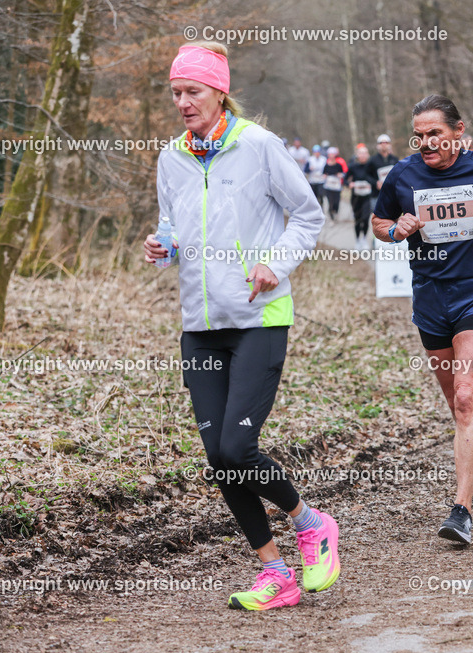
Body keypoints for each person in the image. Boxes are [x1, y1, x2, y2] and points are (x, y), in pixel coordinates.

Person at [144, 42, 338, 610]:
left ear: (220, 93)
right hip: (200, 324)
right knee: (217, 457)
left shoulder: (258, 146)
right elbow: (172, 225)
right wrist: (165, 244)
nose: (182, 102)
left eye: (193, 92)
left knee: (237, 444)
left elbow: (307, 215)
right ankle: (274, 574)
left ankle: (311, 523)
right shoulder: (170, 158)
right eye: (176, 93)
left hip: (259, 317)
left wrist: (274, 265)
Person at [371, 94, 473, 544]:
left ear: (458, 131)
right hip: (430, 297)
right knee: (456, 402)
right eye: (418, 136)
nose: (426, 143)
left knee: (466, 397)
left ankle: (460, 509)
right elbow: (378, 222)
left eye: (435, 134)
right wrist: (395, 230)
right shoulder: (403, 174)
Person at [346, 143, 375, 250]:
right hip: (356, 197)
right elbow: (345, 179)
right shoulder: (353, 166)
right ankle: (358, 240)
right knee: (358, 219)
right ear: (357, 155)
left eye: (365, 153)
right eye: (360, 153)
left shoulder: (371, 166)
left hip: (367, 196)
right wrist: (349, 184)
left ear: (368, 155)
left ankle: (364, 239)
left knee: (366, 218)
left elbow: (375, 179)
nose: (363, 155)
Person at [368, 133, 399, 215]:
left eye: (386, 143)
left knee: (393, 217)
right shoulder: (372, 160)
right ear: (378, 145)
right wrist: (375, 183)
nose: (384, 145)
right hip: (377, 195)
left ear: (390, 145)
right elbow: (366, 175)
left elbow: (399, 175)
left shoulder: (394, 159)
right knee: (378, 218)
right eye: (381, 143)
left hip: (392, 194)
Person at [323, 147, 347, 221]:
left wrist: (341, 175)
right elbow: (323, 174)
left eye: (333, 154)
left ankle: (335, 212)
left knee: (336, 202)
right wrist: (324, 176)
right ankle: (331, 215)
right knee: (330, 201)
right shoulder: (326, 165)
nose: (331, 156)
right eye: (330, 154)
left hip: (337, 187)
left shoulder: (338, 165)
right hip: (328, 187)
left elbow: (344, 173)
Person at [304, 144, 327, 210]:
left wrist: (325, 174)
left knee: (321, 195)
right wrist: (309, 169)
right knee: (314, 196)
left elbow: (327, 169)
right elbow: (305, 170)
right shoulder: (310, 159)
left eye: (318, 152)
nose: (317, 153)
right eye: (315, 152)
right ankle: (314, 209)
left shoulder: (324, 159)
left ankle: (321, 207)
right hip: (313, 181)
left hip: (321, 181)